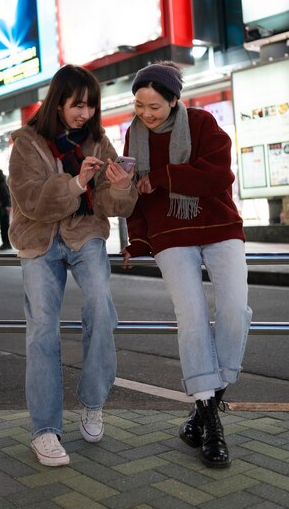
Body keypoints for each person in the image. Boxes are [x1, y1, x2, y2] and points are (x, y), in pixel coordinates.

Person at [121, 61, 252, 469]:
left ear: (175, 100)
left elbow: (217, 176)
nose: (146, 114)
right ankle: (212, 423)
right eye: (140, 105)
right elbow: (134, 196)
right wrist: (137, 240)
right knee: (191, 316)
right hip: (169, 232)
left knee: (234, 309)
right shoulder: (133, 135)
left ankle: (204, 407)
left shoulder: (202, 123)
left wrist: (162, 176)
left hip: (219, 224)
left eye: (155, 106)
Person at [8, 64, 137, 467]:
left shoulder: (100, 142)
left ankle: (93, 402)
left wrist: (120, 187)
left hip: (85, 234)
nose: (84, 113)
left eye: (91, 106)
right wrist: (77, 183)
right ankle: (44, 429)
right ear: (58, 101)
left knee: (101, 307)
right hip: (39, 239)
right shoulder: (27, 142)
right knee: (42, 328)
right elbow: (31, 202)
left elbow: (114, 207)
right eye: (77, 105)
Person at [0, 169, 12, 250]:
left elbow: (6, 195)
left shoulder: (2, 182)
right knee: (4, 225)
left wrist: (7, 205)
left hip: (4, 207)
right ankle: (6, 243)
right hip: (3, 206)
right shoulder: (2, 181)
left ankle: (6, 243)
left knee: (4, 226)